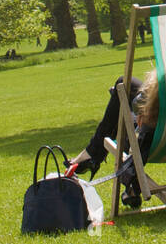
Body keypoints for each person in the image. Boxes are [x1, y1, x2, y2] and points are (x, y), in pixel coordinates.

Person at [65, 69, 160, 208]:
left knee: (122, 87)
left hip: (152, 134)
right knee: (124, 93)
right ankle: (130, 188)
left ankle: (92, 155)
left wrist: (140, 108)